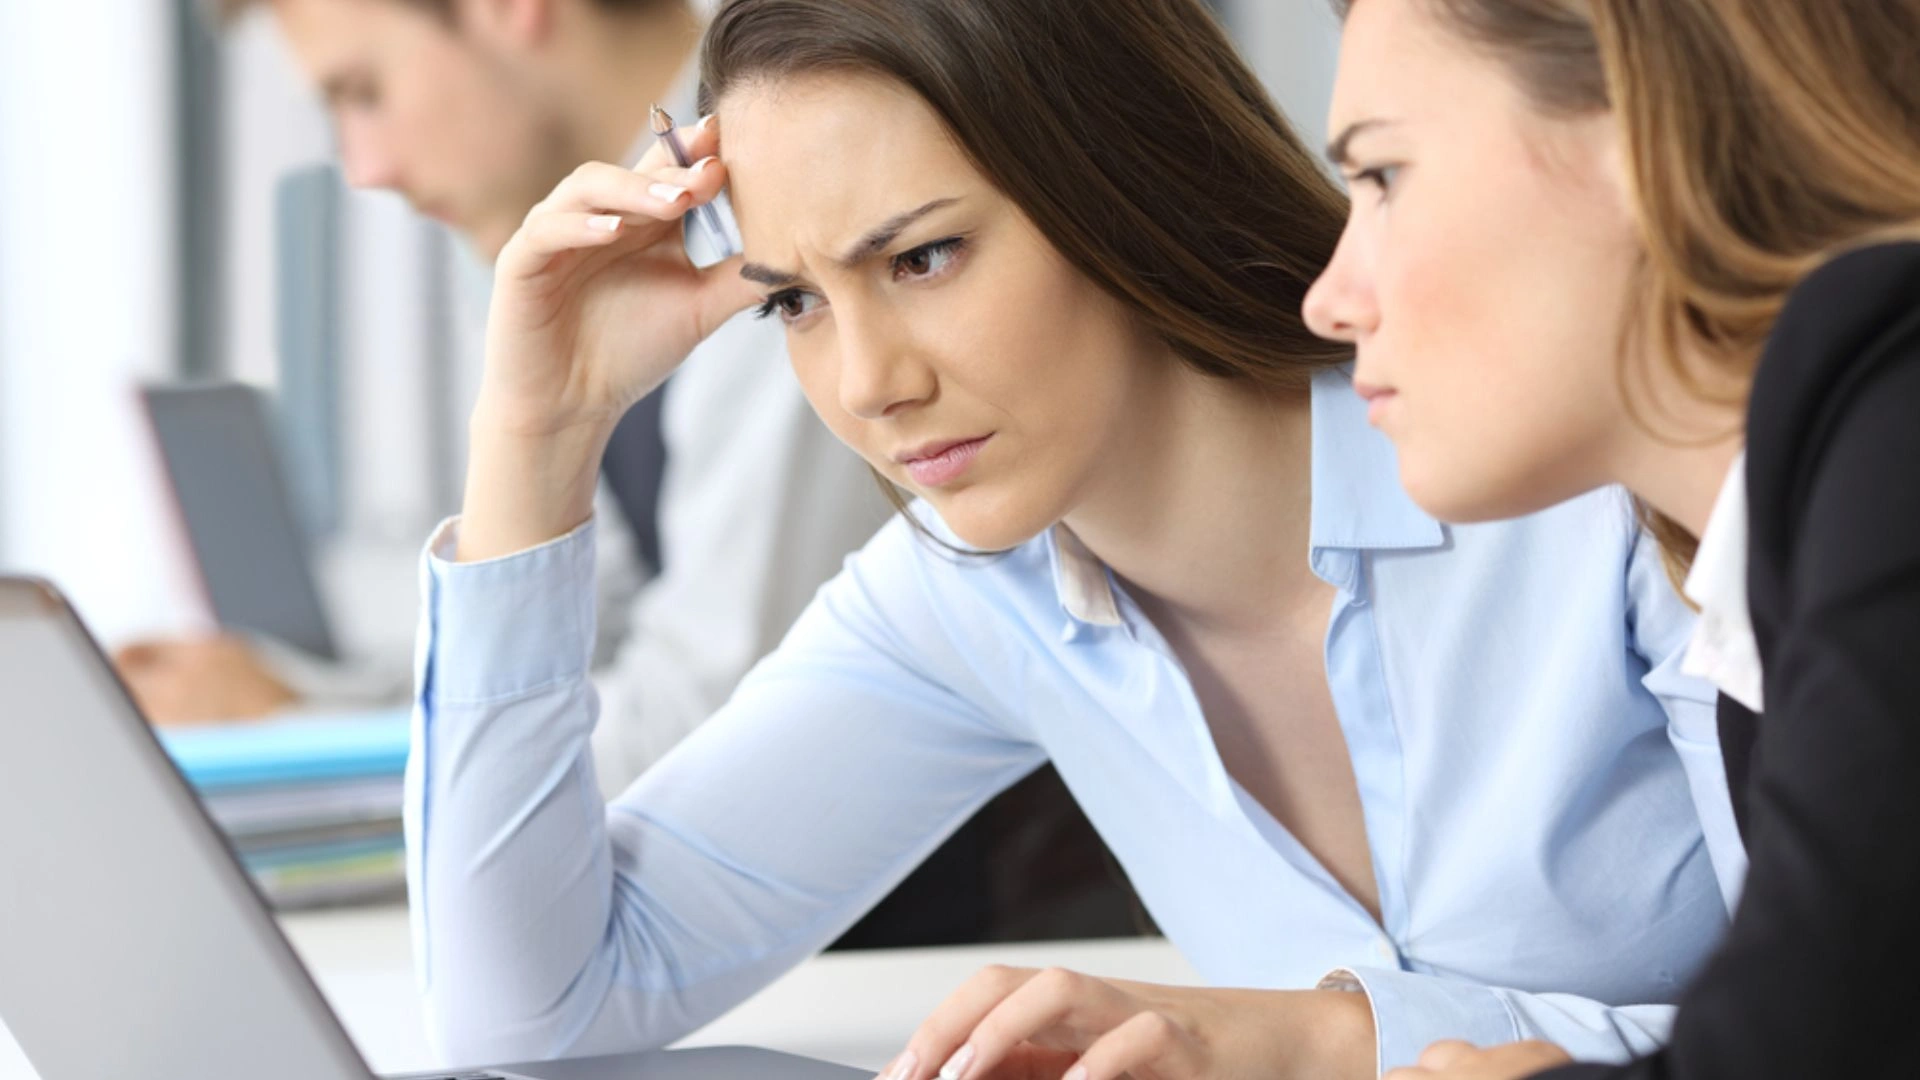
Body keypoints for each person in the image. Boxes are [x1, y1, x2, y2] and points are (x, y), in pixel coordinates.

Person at [410, 0, 1743, 1075]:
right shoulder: (968, 596)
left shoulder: (1590, 484)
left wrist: (1317, 1044)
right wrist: (539, 431)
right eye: (793, 304)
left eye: (923, 258)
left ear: (1119, 184)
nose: (868, 384)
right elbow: (531, 1007)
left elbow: (1838, 1021)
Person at [1290, 1, 1920, 1078]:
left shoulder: (1894, 402)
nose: (1330, 301)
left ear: (1652, 126)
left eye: (1385, 176)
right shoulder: (1768, 614)